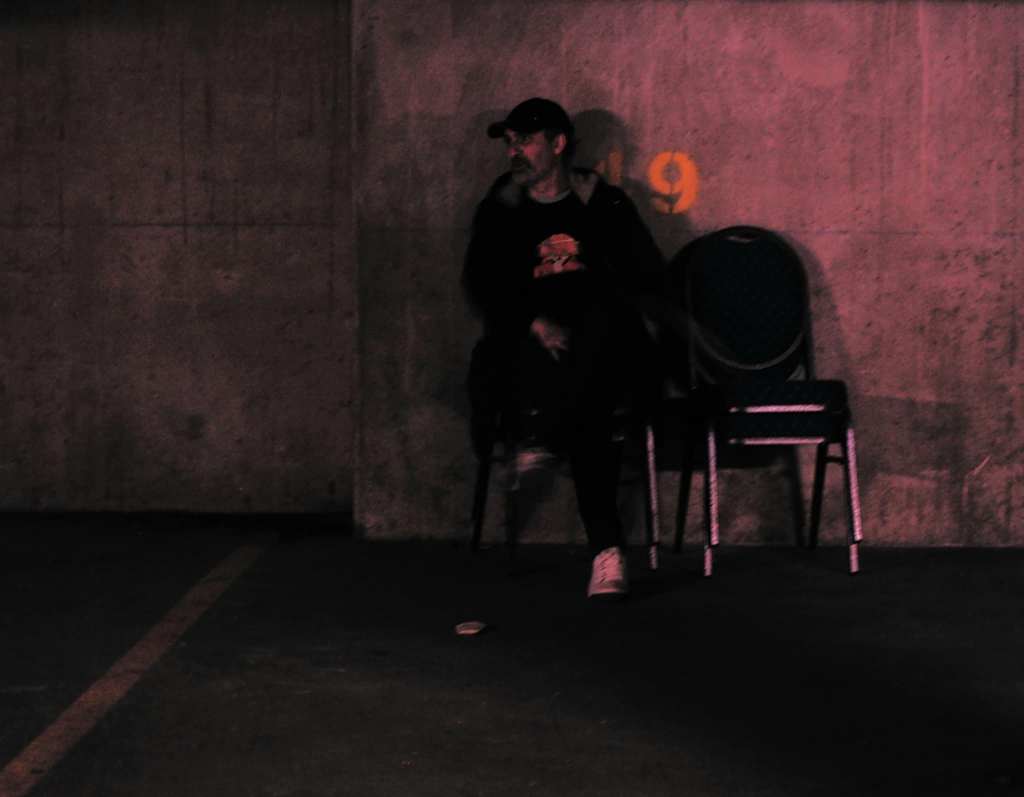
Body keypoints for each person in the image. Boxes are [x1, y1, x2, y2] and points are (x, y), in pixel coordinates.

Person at [462, 97, 665, 598]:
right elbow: (480, 282)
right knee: (587, 408)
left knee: (591, 379)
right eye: (510, 142)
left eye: (526, 141)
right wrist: (533, 323)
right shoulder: (502, 206)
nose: (514, 151)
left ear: (558, 144)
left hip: (597, 352)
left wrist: (594, 307)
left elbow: (646, 274)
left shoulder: (602, 203)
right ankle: (607, 551)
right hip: (528, 352)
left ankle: (545, 435)